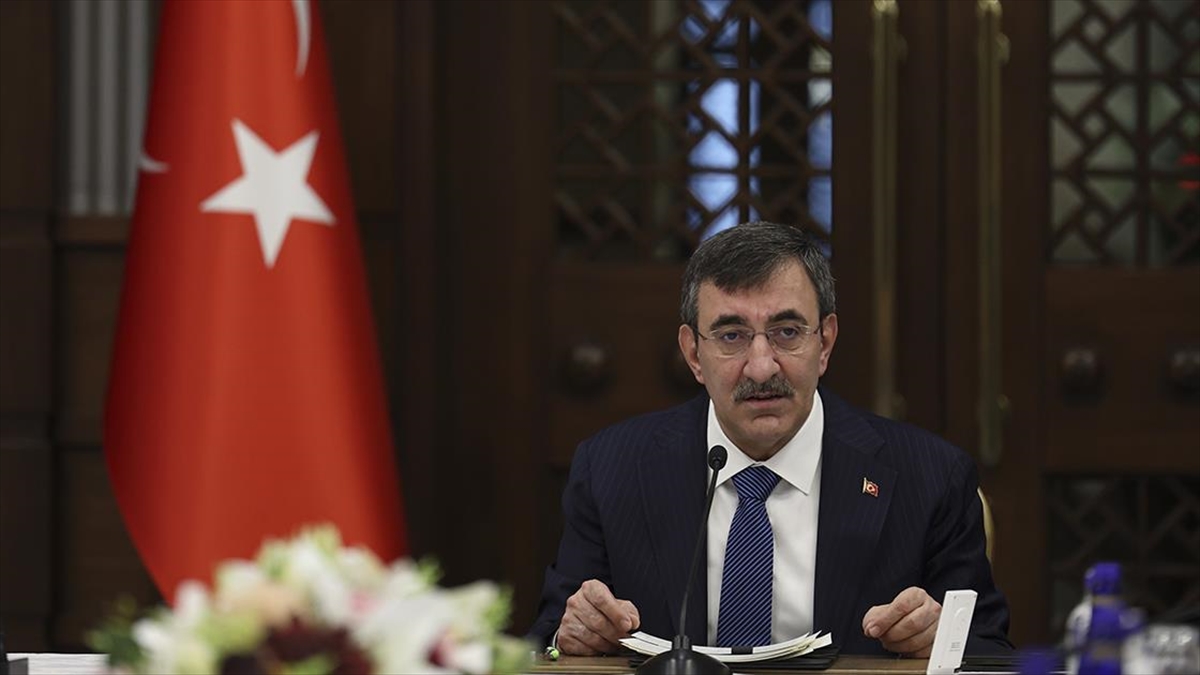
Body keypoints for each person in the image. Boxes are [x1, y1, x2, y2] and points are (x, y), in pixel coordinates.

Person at [529, 221, 1012, 657]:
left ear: (825, 342)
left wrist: (943, 640)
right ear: (693, 354)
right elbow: (549, 639)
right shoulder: (611, 470)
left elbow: (990, 651)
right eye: (731, 336)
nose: (761, 367)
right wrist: (570, 637)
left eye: (786, 332)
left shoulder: (930, 476)